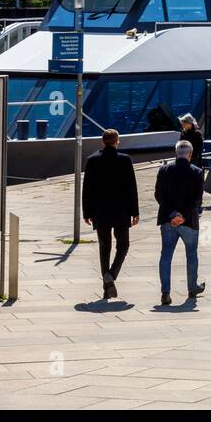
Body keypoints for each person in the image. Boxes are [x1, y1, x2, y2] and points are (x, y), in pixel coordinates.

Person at [81, 128, 139, 300]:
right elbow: (131, 188)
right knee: (123, 245)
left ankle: (107, 286)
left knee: (104, 246)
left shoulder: (92, 161)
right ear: (117, 141)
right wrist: (135, 212)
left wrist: (87, 212)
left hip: (100, 211)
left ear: (102, 141)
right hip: (121, 211)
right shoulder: (125, 160)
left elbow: (87, 189)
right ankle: (111, 275)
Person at [155, 140, 205, 306]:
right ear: (190, 155)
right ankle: (192, 288)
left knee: (166, 255)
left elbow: (159, 195)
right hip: (189, 221)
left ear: (176, 153)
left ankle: (165, 293)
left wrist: (172, 213)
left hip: (168, 219)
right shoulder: (197, 172)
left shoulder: (164, 170)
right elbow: (197, 199)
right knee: (191, 254)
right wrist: (182, 215)